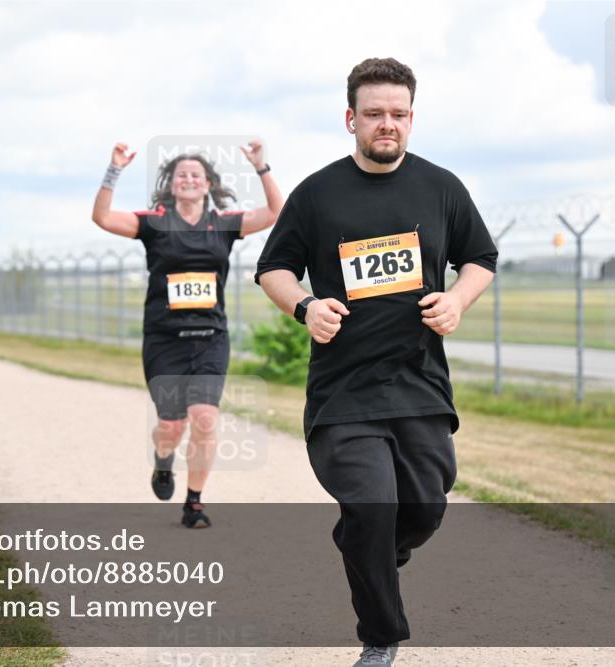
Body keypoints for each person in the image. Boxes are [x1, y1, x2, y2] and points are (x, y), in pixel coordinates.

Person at [255, 58, 497, 666]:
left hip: (419, 382)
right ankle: (380, 638)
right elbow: (273, 268)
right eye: (373, 115)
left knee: (423, 508)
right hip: (344, 391)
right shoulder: (317, 194)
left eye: (398, 114)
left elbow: (481, 257)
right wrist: (305, 306)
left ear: (411, 118)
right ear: (350, 119)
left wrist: (457, 300)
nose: (386, 124)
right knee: (371, 507)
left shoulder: (441, 187)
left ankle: (373, 545)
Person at [92, 140, 283, 528]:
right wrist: (114, 171)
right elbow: (103, 217)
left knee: (206, 418)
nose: (189, 179)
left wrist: (261, 167)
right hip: (164, 339)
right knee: (171, 426)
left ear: (208, 183)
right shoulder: (154, 222)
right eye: (182, 175)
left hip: (210, 337)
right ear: (172, 184)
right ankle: (164, 460)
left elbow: (278, 212)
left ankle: (194, 503)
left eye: (196, 174)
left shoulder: (225, 224)